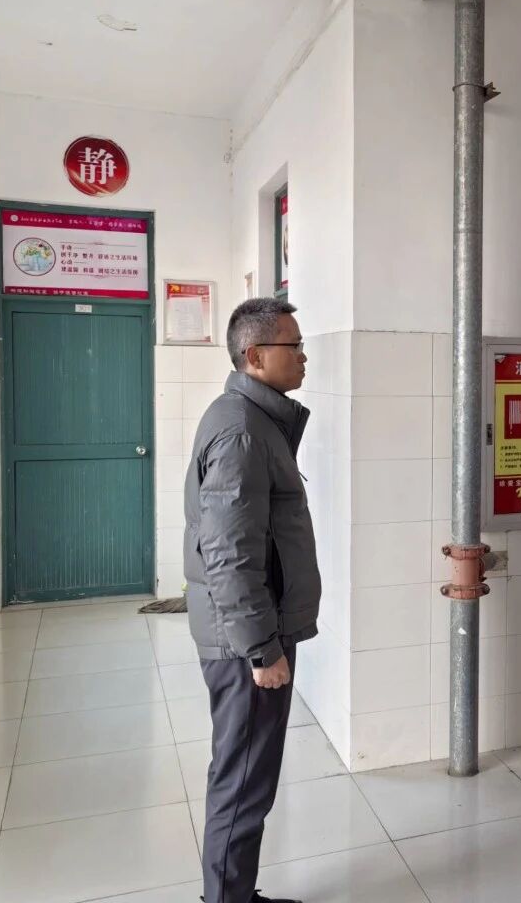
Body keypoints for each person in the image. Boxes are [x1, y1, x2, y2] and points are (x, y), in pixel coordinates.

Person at [184, 298, 322, 903]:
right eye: (294, 346)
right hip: (246, 640)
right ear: (256, 355)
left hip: (249, 630)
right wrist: (262, 648)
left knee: (247, 776)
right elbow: (229, 552)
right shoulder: (242, 429)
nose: (304, 356)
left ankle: (235, 894)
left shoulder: (253, 419)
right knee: (242, 780)